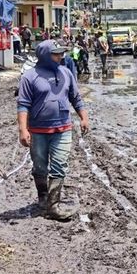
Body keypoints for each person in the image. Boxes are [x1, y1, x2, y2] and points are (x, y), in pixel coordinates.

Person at [17, 40, 89, 221]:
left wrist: (83, 117)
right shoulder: (30, 76)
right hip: (38, 130)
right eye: (56, 54)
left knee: (59, 165)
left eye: (61, 53)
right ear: (44, 55)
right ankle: (43, 196)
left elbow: (76, 97)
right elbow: (23, 105)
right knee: (40, 166)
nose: (60, 56)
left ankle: (53, 205)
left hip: (63, 127)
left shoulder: (66, 73)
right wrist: (22, 130)